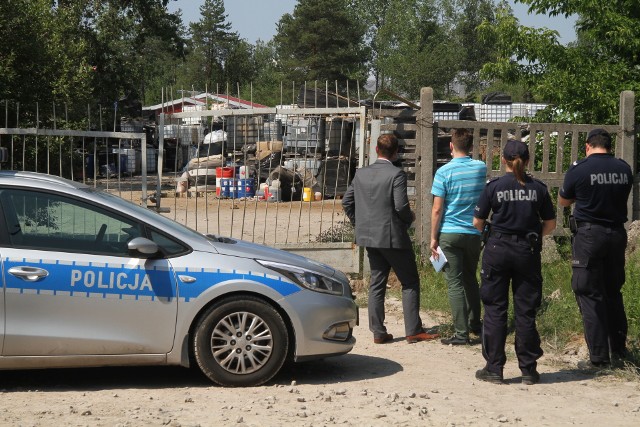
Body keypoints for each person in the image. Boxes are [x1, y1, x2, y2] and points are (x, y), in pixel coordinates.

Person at [473, 139, 556, 384]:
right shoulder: (538, 188)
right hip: (527, 251)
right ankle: (528, 369)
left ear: (503, 161)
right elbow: (550, 225)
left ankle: (494, 368)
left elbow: (478, 222)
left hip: (497, 249)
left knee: (495, 310)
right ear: (528, 160)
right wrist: (530, 236)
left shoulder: (494, 186)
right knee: (525, 311)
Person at [342, 134, 439, 344]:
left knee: (377, 282)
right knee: (410, 281)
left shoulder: (361, 174)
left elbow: (346, 202)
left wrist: (358, 223)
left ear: (376, 150)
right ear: (396, 153)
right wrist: (408, 219)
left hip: (369, 237)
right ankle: (413, 330)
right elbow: (401, 206)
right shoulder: (397, 174)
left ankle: (378, 332)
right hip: (392, 236)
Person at [558, 128, 633, 370]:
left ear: (588, 146)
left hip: (590, 235)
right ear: (609, 146)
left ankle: (599, 358)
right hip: (617, 234)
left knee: (588, 292)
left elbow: (563, 200)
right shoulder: (624, 168)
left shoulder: (580, 168)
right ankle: (619, 351)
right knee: (613, 291)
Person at [430, 128, 486, 345]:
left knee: (454, 283)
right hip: (473, 232)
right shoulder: (480, 168)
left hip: (450, 233)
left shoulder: (443, 172)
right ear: (471, 147)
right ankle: (475, 324)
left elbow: (437, 209)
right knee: (471, 278)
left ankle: (461, 333)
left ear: (451, 146)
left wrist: (433, 238)